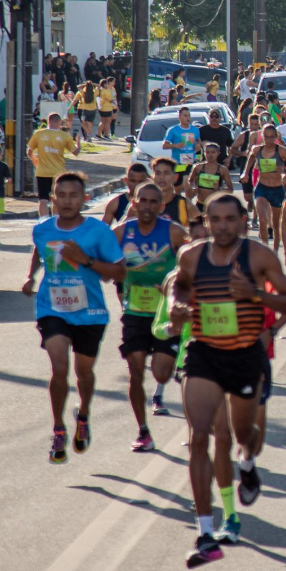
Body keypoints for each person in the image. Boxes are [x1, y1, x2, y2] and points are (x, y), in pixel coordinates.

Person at [169, 193, 286, 568]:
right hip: (204, 353)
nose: (222, 226)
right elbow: (180, 284)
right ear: (206, 221)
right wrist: (179, 305)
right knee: (199, 438)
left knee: (243, 435)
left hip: (245, 356)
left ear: (243, 220)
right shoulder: (191, 255)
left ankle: (247, 463)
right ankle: (206, 532)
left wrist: (256, 295)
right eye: (215, 219)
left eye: (230, 219)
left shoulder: (259, 256)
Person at [21, 172, 128, 464]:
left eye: (73, 195)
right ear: (52, 198)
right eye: (61, 195)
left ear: (85, 199)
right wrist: (31, 276)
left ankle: (83, 415)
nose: (67, 201)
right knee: (59, 367)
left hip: (90, 312)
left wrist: (86, 260)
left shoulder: (98, 232)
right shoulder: (42, 229)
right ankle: (58, 429)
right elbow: (39, 250)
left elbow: (120, 272)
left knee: (84, 373)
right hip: (52, 308)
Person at [111, 182, 187, 449]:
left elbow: (192, 266)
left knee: (162, 373)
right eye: (142, 200)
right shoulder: (121, 232)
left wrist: (177, 288)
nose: (147, 206)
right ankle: (143, 431)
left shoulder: (175, 233)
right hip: (134, 311)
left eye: (154, 202)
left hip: (166, 313)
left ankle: (183, 383)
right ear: (133, 202)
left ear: (162, 206)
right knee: (135, 372)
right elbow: (105, 262)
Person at [243, 123, 286, 251]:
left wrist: (284, 170)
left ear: (276, 137)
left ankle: (274, 251)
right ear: (262, 136)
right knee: (262, 219)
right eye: (266, 137)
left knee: (276, 224)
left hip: (277, 189)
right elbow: (250, 159)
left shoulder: (282, 151)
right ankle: (264, 250)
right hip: (262, 188)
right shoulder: (257, 150)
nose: (269, 140)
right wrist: (245, 173)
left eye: (271, 137)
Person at [27, 113, 81, 217]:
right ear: (59, 123)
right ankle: (55, 223)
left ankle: (44, 222)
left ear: (48, 121)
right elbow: (76, 152)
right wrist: (78, 142)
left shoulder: (38, 134)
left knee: (43, 200)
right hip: (59, 174)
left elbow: (29, 151)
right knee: (56, 200)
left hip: (42, 172)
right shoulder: (64, 136)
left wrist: (35, 159)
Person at [161, 107, 203, 194]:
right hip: (178, 163)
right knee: (177, 189)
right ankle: (178, 204)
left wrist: (198, 145)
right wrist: (176, 145)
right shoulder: (173, 130)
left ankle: (188, 204)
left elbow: (198, 141)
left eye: (189, 116)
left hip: (191, 162)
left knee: (187, 183)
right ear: (179, 117)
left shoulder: (195, 130)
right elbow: (164, 146)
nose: (188, 118)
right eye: (185, 116)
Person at [187, 142, 233, 211]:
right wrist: (193, 187)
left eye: (213, 152)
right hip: (200, 203)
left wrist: (219, 190)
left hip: (216, 204)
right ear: (204, 153)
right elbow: (190, 181)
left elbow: (230, 189)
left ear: (218, 153)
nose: (210, 155)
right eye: (207, 152)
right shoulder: (198, 167)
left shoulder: (222, 169)